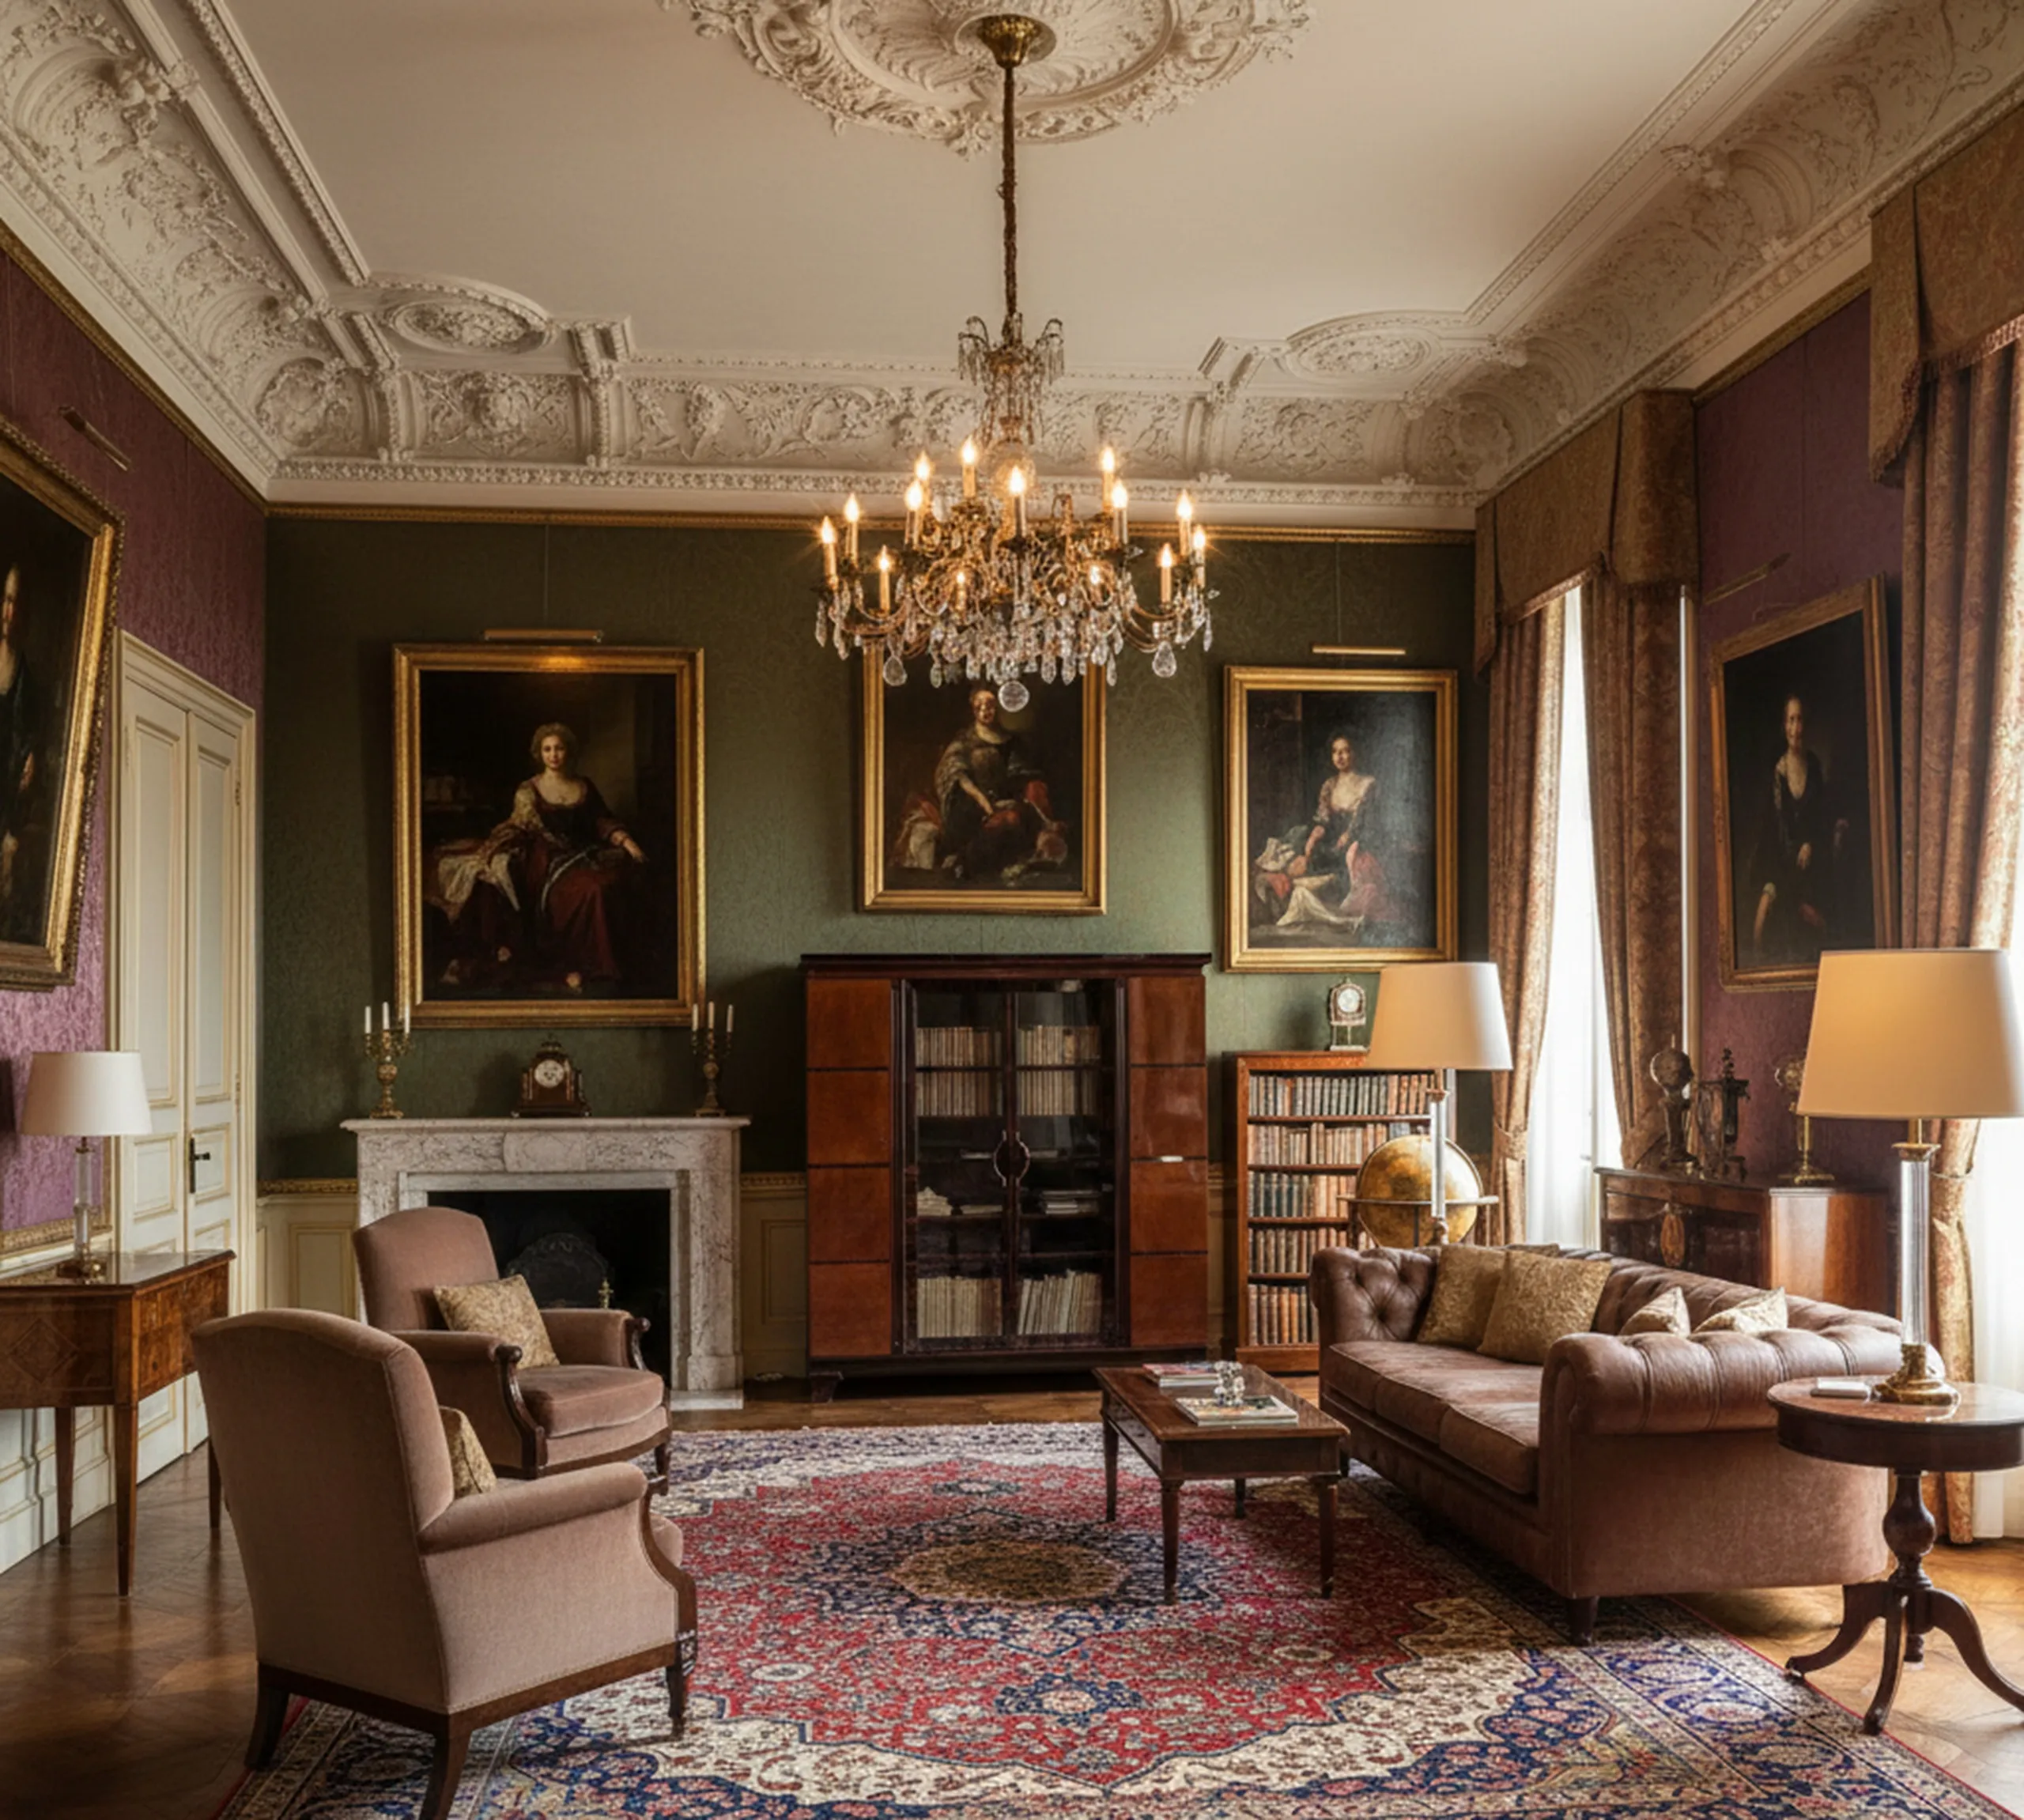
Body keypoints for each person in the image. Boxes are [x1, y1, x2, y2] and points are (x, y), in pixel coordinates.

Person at [428, 722, 648, 991]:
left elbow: (601, 820)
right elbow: (521, 827)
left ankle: (603, 966)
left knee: (614, 882)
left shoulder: (584, 786)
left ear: (569, 752)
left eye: (559, 748)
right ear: (539, 754)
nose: (553, 754)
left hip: (583, 854)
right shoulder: (529, 790)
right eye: (547, 749)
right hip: (546, 861)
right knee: (593, 889)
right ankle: (588, 965)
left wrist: (627, 842)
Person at [889, 685, 1067, 883]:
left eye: (990, 705)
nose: (985, 711)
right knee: (1000, 821)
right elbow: (955, 774)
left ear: (997, 708)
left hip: (1003, 801)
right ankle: (962, 863)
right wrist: (983, 802)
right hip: (969, 804)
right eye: (979, 706)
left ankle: (988, 867)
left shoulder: (1010, 741)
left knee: (1013, 819)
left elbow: (1021, 774)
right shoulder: (964, 741)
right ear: (973, 710)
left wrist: (1033, 798)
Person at [1252, 732, 1392, 931]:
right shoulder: (1330, 785)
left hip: (1358, 838)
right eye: (1335, 752)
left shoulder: (1368, 783)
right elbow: (1323, 820)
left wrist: (1346, 838)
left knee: (1343, 862)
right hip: (1331, 837)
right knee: (1300, 846)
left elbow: (1363, 822)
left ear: (1355, 753)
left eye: (1345, 751)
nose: (1340, 757)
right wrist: (1311, 842)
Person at [1749, 693, 1848, 966]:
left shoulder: (1814, 765)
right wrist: (1797, 849)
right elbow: (1779, 828)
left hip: (1814, 853)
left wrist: (1812, 843)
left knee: (1827, 910)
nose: (1796, 728)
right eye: (1791, 720)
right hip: (1785, 858)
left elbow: (1820, 816)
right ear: (1785, 727)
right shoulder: (1779, 772)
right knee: (1776, 904)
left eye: (1800, 720)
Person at [0, 565, 43, 938]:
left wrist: (31, 755)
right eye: (4, 599)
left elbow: (29, 731)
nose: (7, 613)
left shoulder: (25, 674)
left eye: (15, 602)